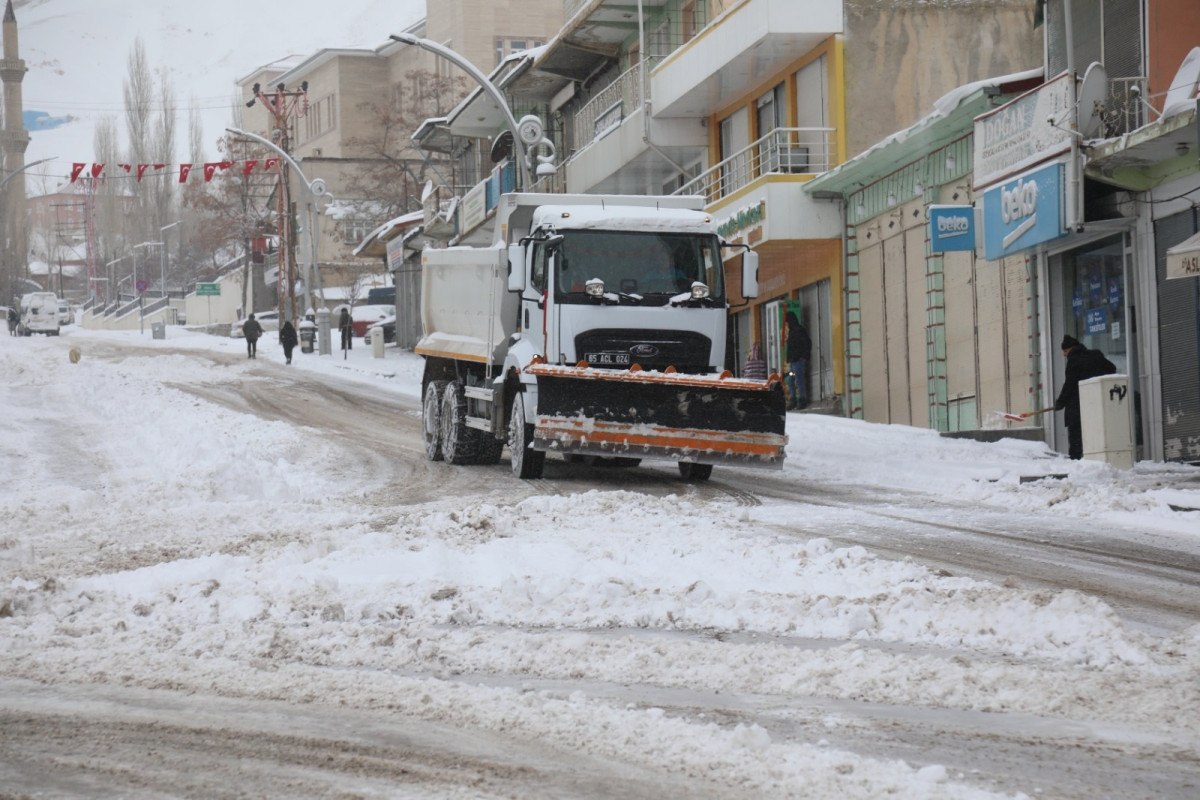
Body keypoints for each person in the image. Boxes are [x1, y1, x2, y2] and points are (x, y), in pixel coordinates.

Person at [1054, 334, 1117, 459]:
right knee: (1096, 434)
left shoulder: (1073, 360)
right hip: (1097, 403)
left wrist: (1060, 402)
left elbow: (1070, 384)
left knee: (1076, 436)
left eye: (1065, 351)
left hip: (1078, 405)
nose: (1064, 355)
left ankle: (1076, 461)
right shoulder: (1096, 355)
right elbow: (1112, 368)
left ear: (1070, 349)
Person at [784, 311, 811, 410]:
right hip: (793, 362)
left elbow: (807, 343)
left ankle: (802, 400)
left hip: (798, 362)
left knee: (799, 380)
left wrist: (804, 357)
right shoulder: (793, 331)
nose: (786, 324)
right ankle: (794, 399)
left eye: (787, 322)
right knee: (791, 380)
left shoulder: (799, 330)